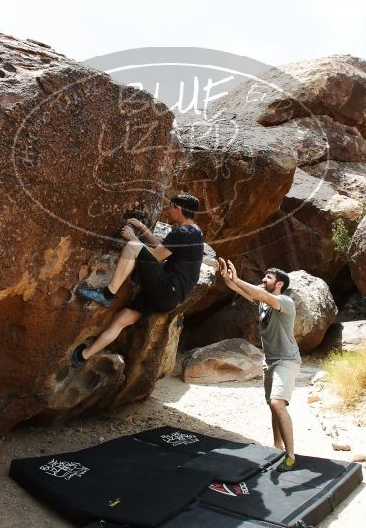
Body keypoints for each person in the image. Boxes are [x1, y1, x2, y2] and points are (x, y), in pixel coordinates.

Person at [72, 193, 204, 367]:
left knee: (132, 247)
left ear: (178, 209)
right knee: (121, 319)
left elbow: (157, 256)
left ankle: (107, 293)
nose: (167, 211)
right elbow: (162, 248)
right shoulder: (195, 232)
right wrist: (143, 229)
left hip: (166, 287)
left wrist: (133, 238)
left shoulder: (182, 232)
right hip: (170, 298)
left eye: (169, 207)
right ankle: (82, 356)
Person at [218, 258, 300, 472]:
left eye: (269, 277)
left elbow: (261, 293)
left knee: (277, 403)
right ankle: (276, 447)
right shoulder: (264, 301)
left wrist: (237, 279)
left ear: (279, 283)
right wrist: (228, 279)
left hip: (287, 359)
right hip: (270, 360)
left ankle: (291, 456)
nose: (264, 279)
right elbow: (246, 291)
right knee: (271, 406)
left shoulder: (285, 302)